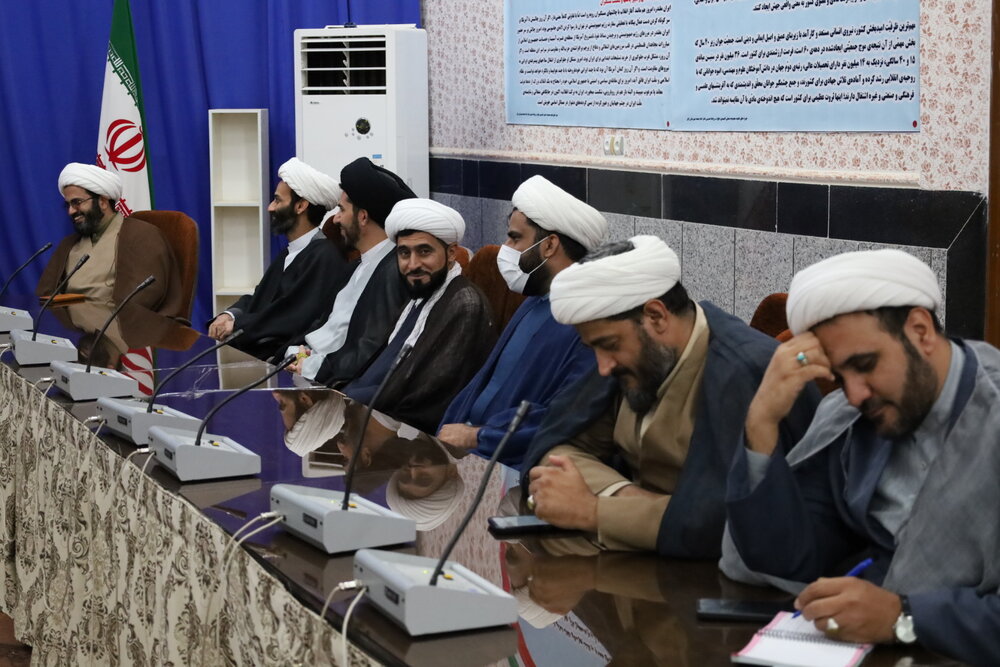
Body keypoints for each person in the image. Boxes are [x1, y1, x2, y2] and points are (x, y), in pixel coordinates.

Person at [723, 249, 1000, 665]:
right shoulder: (851, 419)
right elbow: (786, 558)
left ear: (920, 331)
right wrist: (762, 420)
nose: (854, 394)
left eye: (865, 364)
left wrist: (903, 617)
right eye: (839, 376)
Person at [523, 236, 819, 557]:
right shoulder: (634, 358)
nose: (603, 367)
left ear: (656, 316)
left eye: (609, 345)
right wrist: (625, 496)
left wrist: (595, 511)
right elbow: (557, 449)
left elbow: (731, 525)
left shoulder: (743, 372)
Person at [437, 175, 608, 467]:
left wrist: (479, 436)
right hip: (471, 454)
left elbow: (563, 416)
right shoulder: (534, 300)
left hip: (514, 466)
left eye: (515, 238)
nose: (505, 247)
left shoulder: (587, 322)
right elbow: (485, 380)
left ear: (549, 245)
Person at [342, 198, 496, 433]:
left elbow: (427, 395)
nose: (413, 264)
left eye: (424, 251)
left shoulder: (464, 305)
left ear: (451, 253)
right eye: (404, 253)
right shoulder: (420, 292)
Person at [36, 163, 186, 358]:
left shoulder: (142, 236)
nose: (71, 211)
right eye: (68, 205)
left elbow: (142, 300)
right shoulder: (70, 244)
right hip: (75, 335)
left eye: (77, 202)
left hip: (126, 340)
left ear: (103, 201)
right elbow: (46, 293)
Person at [286, 157, 414, 385]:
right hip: (308, 368)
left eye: (341, 209)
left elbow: (368, 351)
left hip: (333, 384)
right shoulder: (357, 265)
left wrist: (311, 366)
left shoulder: (393, 272)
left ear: (363, 217)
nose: (336, 219)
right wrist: (299, 351)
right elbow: (325, 326)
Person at [208, 158, 350, 360]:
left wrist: (239, 325)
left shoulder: (324, 257)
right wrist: (229, 315)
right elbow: (261, 298)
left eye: (277, 200)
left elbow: (291, 317)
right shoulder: (291, 252)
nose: (270, 208)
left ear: (300, 206)